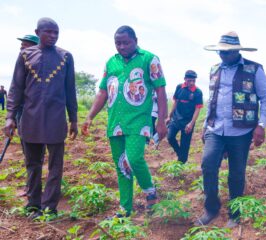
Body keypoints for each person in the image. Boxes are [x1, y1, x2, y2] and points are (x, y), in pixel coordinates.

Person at [81, 25, 168, 217]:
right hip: (115, 122)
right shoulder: (111, 63)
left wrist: (162, 120)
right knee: (122, 165)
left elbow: (160, 90)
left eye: (126, 42)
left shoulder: (149, 59)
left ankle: (150, 191)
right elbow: (103, 92)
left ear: (136, 40)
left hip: (139, 120)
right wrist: (89, 117)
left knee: (135, 158)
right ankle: (124, 209)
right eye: (117, 43)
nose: (121, 46)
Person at [195, 31, 266, 228]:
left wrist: (261, 126)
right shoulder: (215, 69)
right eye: (220, 51)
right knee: (207, 165)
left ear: (237, 50)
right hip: (216, 128)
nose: (223, 55)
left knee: (236, 173)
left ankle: (235, 212)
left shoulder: (254, 69)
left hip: (241, 130)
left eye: (227, 52)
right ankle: (211, 208)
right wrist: (205, 125)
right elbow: (212, 99)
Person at [4, 17, 78, 219]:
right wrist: (10, 116)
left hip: (56, 119)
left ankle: (50, 207)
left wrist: (74, 119)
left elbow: (70, 90)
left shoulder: (65, 57)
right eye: (48, 32)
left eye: (56, 32)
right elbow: (16, 87)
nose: (53, 36)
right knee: (33, 164)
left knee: (56, 165)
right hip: (30, 118)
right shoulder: (25, 55)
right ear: (37, 32)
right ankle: (33, 204)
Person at [15, 34, 40, 197]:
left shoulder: (38, 66)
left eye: (25, 46)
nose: (22, 49)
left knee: (35, 155)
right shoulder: (21, 64)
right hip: (21, 112)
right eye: (21, 46)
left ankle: (34, 189)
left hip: (35, 114)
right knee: (28, 154)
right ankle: (30, 186)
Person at [166, 70, 203, 164]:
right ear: (185, 79)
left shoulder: (198, 92)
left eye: (193, 81)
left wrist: (191, 123)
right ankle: (181, 155)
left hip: (188, 122)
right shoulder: (179, 87)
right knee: (170, 137)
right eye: (190, 80)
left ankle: (181, 163)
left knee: (185, 145)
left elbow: (197, 109)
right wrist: (169, 116)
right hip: (176, 119)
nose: (192, 83)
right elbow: (176, 102)